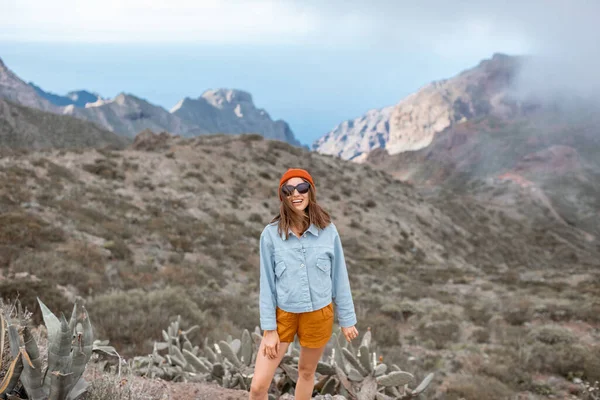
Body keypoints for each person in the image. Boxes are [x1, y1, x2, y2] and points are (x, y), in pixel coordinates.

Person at [249, 168, 359, 400]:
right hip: (283, 317)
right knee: (258, 386)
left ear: (310, 191)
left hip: (318, 314)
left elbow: (339, 276)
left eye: (302, 188)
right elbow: (267, 284)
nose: (296, 194)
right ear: (283, 196)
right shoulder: (270, 235)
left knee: (306, 373)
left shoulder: (328, 231)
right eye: (288, 190)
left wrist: (347, 319)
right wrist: (269, 330)